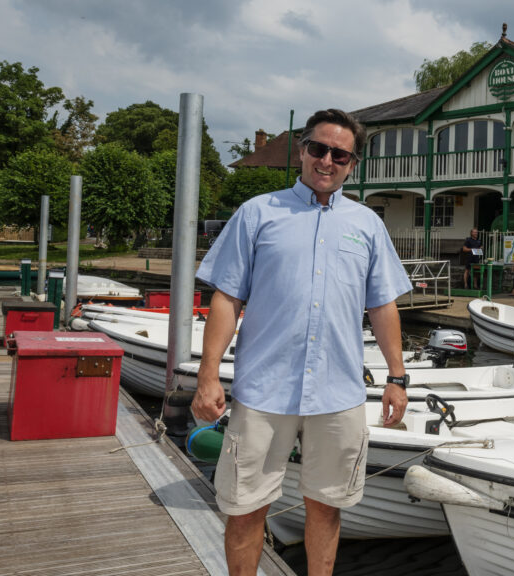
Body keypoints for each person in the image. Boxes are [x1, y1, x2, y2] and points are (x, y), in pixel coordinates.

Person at [191, 109, 411, 576]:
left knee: (327, 507)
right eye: (319, 148)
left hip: (338, 392)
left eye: (340, 154)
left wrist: (397, 378)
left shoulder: (368, 224)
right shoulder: (257, 213)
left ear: (352, 164)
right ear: (302, 149)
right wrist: (208, 374)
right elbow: (226, 297)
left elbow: (383, 307)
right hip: (263, 389)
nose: (327, 160)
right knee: (245, 508)